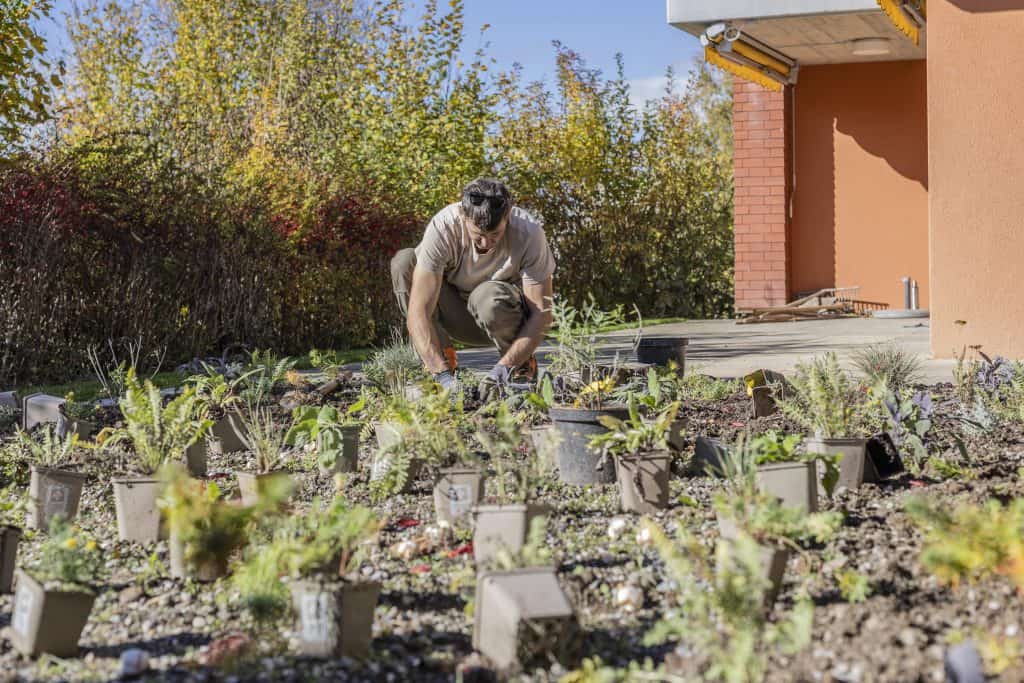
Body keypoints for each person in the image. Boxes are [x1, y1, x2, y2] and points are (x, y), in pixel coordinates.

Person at [391, 178, 555, 399]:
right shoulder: (443, 227)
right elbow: (418, 311)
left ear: (507, 216)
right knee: (404, 262)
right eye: (478, 235)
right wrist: (442, 376)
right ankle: (443, 363)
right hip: (456, 316)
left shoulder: (529, 232)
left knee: (487, 296)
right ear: (463, 216)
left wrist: (502, 369)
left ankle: (520, 368)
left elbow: (542, 314)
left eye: (495, 235)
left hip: (502, 317)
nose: (486, 244)